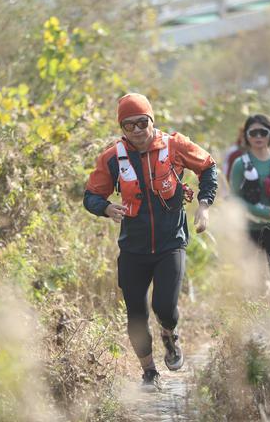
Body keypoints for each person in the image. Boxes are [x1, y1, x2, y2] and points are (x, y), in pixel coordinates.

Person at [83, 93, 218, 390]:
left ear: (151, 121)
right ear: (121, 128)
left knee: (164, 307)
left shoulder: (174, 146)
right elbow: (91, 196)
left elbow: (208, 167)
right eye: (128, 125)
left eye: (142, 122)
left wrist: (204, 206)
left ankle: (170, 336)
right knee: (136, 314)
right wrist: (106, 208)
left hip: (171, 242)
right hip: (133, 247)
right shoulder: (112, 157)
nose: (136, 131)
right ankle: (149, 373)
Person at [229, 114, 270, 309]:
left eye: (263, 132)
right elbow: (235, 196)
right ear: (247, 136)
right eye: (253, 132)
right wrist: (262, 212)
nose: (258, 136)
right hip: (250, 227)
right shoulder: (240, 164)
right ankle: (255, 316)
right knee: (252, 274)